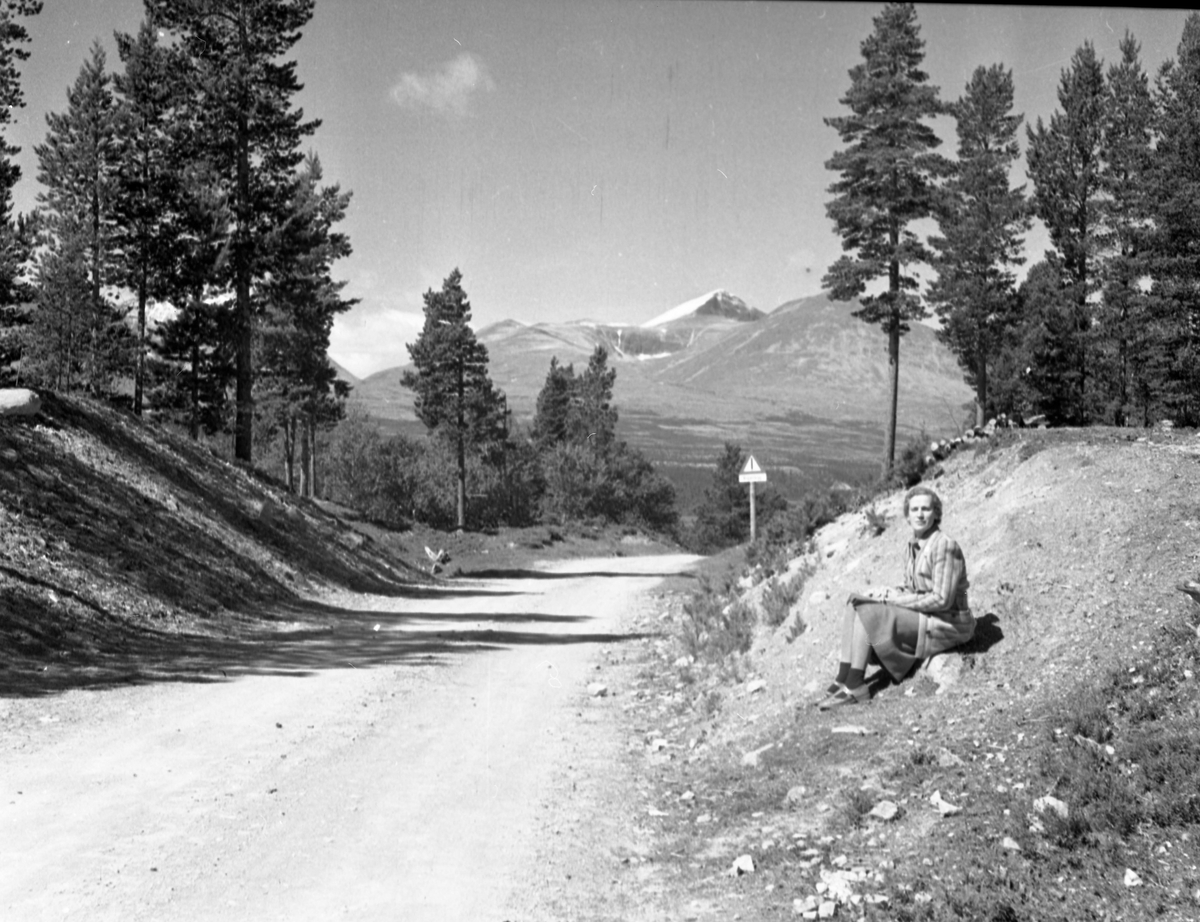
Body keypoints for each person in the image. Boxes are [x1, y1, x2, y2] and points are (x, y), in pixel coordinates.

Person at [816, 485, 975, 710]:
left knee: (868, 613)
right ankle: (843, 676)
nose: (920, 514)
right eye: (915, 509)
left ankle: (856, 685)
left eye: (926, 509)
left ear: (936, 514)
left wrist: (894, 601)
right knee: (856, 602)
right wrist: (888, 592)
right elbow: (914, 588)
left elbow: (942, 600)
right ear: (907, 516)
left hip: (948, 622)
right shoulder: (914, 545)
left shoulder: (944, 546)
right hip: (926, 614)